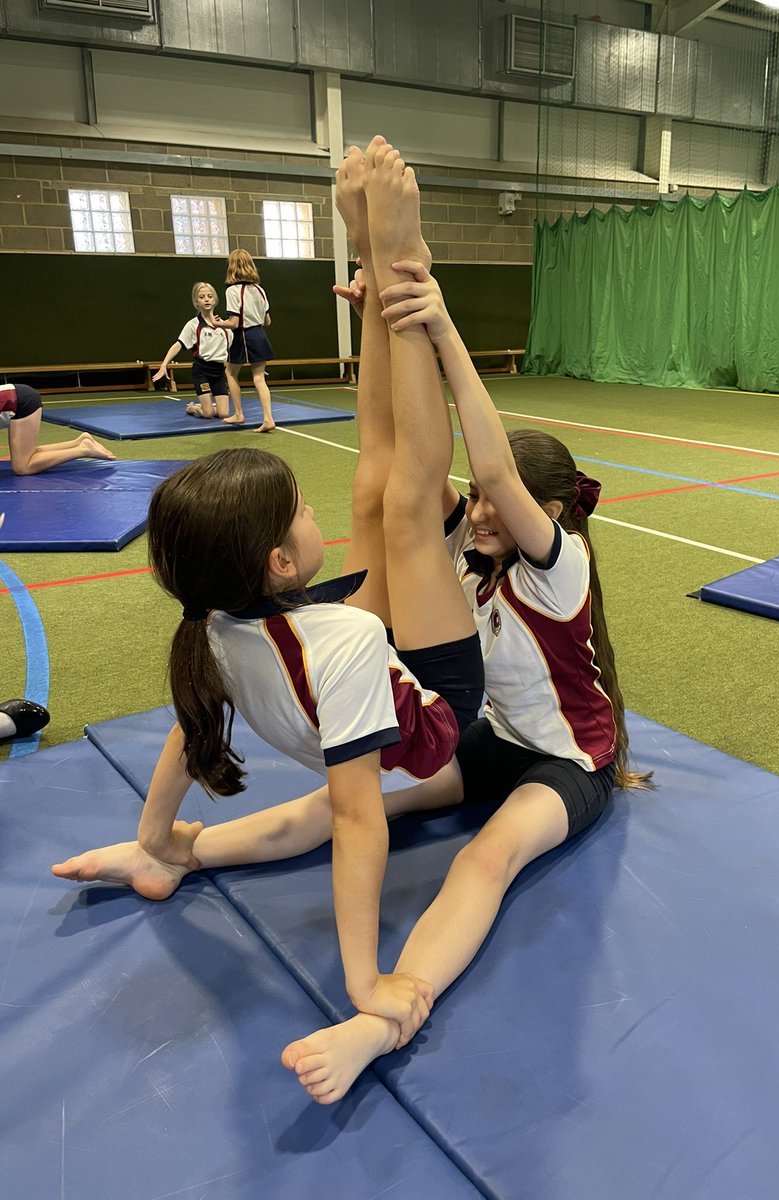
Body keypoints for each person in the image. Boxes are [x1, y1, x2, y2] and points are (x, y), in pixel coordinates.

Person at [51, 137, 485, 1052]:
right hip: (433, 711)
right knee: (408, 503)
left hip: (324, 664)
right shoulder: (347, 646)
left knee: (373, 484)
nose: (309, 509)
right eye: (297, 511)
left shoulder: (210, 627)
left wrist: (156, 839)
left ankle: (374, 268)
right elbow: (357, 820)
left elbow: (188, 731)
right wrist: (363, 979)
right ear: (280, 563)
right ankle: (401, 259)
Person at [276, 141, 652, 1105]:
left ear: (549, 512)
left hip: (565, 766)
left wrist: (440, 324)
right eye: (481, 505)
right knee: (352, 801)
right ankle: (182, 849)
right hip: (496, 743)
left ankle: (387, 1018)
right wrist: (385, 295)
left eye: (500, 505)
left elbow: (485, 470)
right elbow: (393, 461)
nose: (479, 512)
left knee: (486, 857)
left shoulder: (559, 570)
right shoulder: (475, 564)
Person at [213, 249, 276, 433]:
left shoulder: (232, 291)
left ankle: (239, 413)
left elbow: (233, 323)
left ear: (231, 267)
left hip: (244, 335)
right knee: (259, 377)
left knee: (230, 372)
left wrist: (217, 323)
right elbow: (267, 321)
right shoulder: (259, 290)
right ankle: (268, 418)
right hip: (260, 334)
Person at [151, 282, 233, 420]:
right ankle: (193, 408)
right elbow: (178, 345)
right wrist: (164, 365)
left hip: (218, 371)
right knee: (208, 414)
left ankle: (207, 407)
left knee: (223, 414)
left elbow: (233, 347)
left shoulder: (224, 326)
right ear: (196, 302)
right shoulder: (193, 325)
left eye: (209, 296)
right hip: (202, 371)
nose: (206, 299)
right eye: (202, 297)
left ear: (215, 300)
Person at [1, 383, 115, 475]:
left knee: (23, 467)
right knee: (24, 455)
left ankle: (84, 449)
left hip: (21, 402)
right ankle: (78, 443)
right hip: (19, 397)